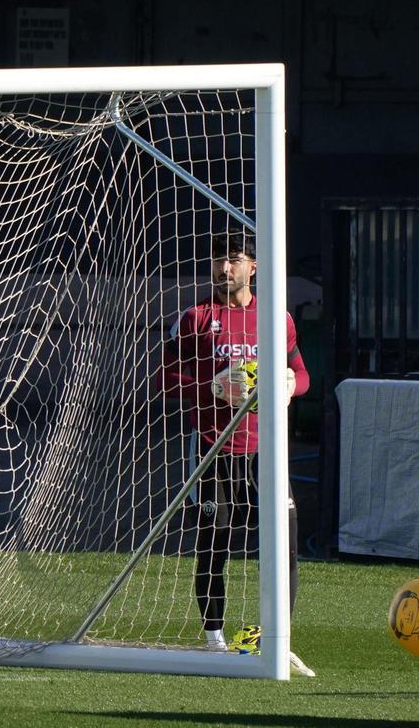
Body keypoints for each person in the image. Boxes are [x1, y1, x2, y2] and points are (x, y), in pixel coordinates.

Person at [161, 230, 315, 676]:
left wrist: (289, 385)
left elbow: (302, 373)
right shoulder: (194, 318)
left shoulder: (277, 318)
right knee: (215, 538)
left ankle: (276, 639)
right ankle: (213, 639)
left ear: (254, 267)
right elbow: (164, 379)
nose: (223, 268)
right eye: (217, 259)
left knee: (283, 541)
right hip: (213, 446)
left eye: (233, 259)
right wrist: (211, 386)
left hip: (266, 449)